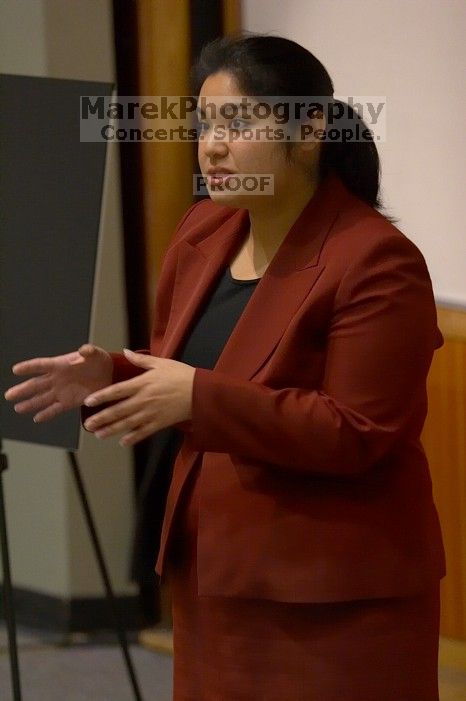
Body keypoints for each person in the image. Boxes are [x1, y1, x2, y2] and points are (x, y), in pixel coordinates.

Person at [4, 34, 446, 701]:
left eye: (235, 124)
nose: (211, 145)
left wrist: (195, 397)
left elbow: (358, 430)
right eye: (204, 125)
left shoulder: (376, 259)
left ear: (309, 127)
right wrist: (117, 373)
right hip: (213, 577)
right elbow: (193, 373)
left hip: (332, 598)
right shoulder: (203, 231)